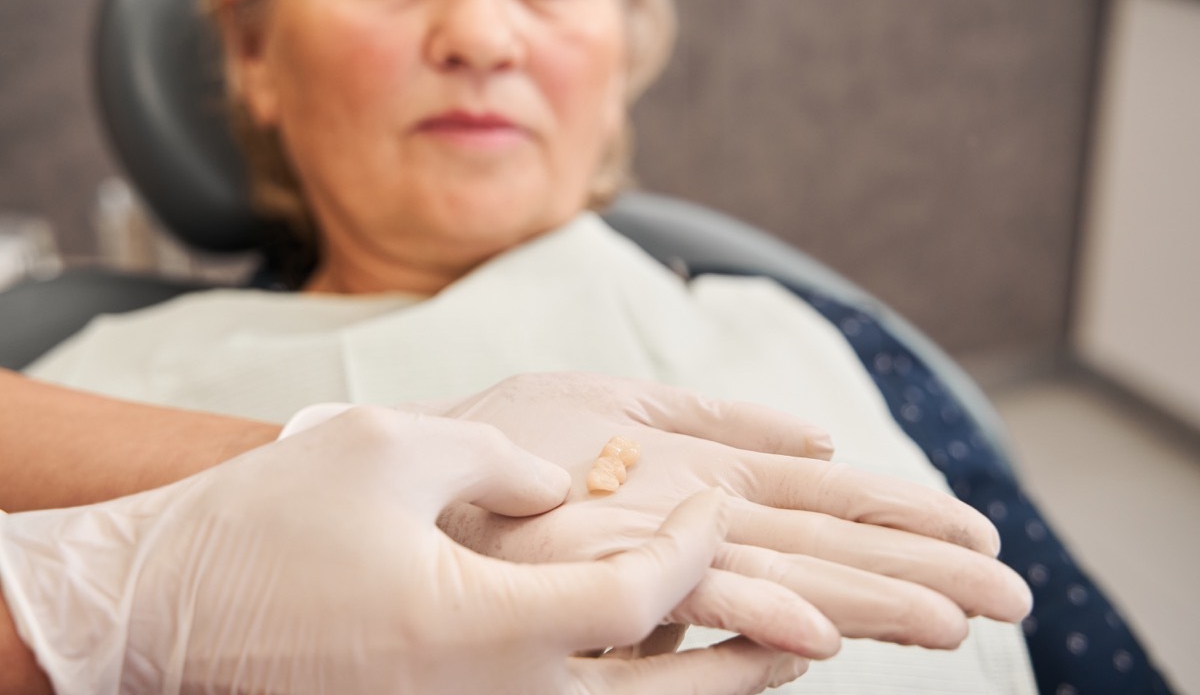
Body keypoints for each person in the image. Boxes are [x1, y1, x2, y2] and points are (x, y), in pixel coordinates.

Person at [19, 0, 1169, 691]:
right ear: (252, 49)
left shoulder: (810, 337)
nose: (477, 32)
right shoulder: (80, 392)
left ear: (621, 58)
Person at [0, 371, 1026, 694]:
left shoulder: (795, 311)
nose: (479, 33)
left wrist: (331, 459)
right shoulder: (102, 346)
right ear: (254, 55)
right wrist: (80, 606)